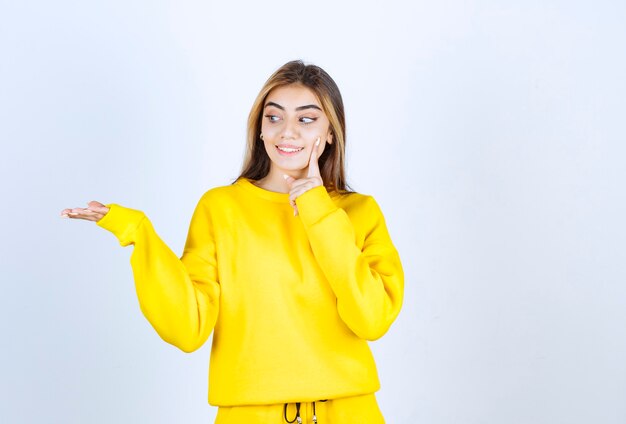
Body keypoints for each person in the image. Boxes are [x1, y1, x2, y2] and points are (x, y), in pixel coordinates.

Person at [60, 60, 404, 424]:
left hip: (350, 411)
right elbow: (187, 327)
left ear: (331, 132)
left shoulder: (359, 211)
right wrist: (137, 232)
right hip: (248, 413)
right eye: (274, 117)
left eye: (306, 119)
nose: (287, 132)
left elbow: (373, 319)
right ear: (259, 129)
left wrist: (316, 207)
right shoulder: (220, 208)